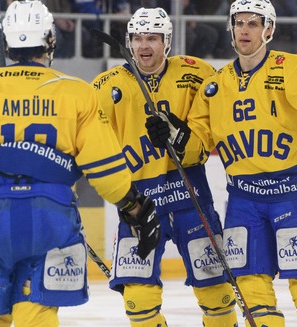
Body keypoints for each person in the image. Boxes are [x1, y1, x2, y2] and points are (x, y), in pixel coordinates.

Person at [0, 1, 160, 326]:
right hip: (51, 220)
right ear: (50, 40)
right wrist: (134, 206)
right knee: (37, 316)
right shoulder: (77, 92)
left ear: (7, 43)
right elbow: (107, 172)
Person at [146, 0, 297, 326]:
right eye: (239, 23)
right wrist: (174, 137)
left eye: (253, 23)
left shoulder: (291, 68)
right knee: (251, 294)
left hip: (295, 194)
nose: (244, 29)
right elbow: (197, 148)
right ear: (230, 29)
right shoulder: (214, 86)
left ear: (269, 30)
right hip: (244, 201)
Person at [91, 7, 238, 327]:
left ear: (167, 42)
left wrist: (183, 138)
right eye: (138, 38)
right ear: (129, 43)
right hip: (139, 205)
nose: (145, 46)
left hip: (190, 197)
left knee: (217, 295)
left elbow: (220, 125)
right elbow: (82, 135)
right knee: (138, 302)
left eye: (153, 38)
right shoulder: (106, 85)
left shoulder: (196, 73)